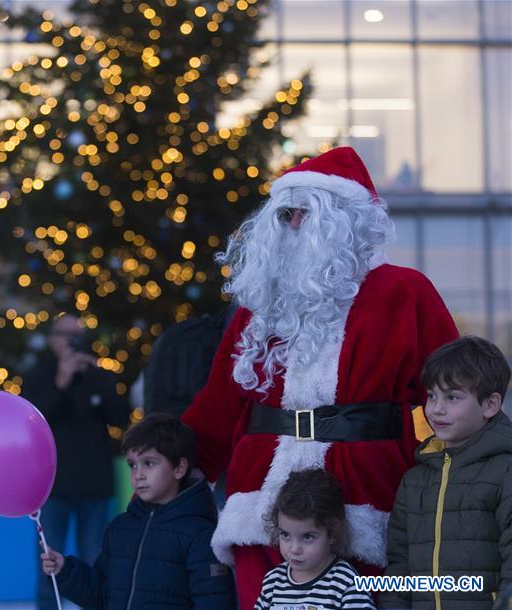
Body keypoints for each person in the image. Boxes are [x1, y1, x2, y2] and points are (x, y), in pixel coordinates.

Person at [180, 146, 459, 609]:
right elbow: (221, 402)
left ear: (344, 219)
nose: (292, 226)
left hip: (366, 494)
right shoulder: (260, 303)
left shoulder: (404, 292)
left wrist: (463, 464)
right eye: (285, 214)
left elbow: (452, 390)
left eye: (305, 214)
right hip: (261, 499)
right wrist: (180, 463)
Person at [41, 413, 236, 609]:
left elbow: (213, 601)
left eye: (149, 463)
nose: (138, 475)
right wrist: (65, 571)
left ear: (179, 468)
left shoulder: (200, 534)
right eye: (132, 465)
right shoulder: (120, 528)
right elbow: (102, 595)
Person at [380, 336, 512, 610]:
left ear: (490, 404)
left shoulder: (505, 471)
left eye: (452, 397)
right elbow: (399, 567)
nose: (436, 409)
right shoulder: (414, 480)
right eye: (431, 396)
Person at [22, 313, 130, 610]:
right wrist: (61, 380)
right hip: (51, 486)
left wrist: (98, 379)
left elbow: (120, 418)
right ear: (52, 339)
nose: (73, 343)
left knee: (95, 558)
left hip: (95, 484)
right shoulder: (39, 376)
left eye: (78, 337)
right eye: (66, 336)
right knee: (48, 561)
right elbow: (32, 420)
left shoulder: (99, 376)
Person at [256, 469, 375, 609]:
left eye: (307, 537)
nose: (294, 549)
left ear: (331, 533)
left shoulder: (345, 582)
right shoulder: (273, 581)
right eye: (285, 535)